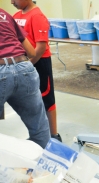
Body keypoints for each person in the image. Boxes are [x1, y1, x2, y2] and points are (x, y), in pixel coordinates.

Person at [12, 0, 62, 142]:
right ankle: (39, 136)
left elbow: (40, 47)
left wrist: (28, 64)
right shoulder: (16, 16)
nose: (11, 2)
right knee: (32, 101)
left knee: (47, 99)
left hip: (39, 63)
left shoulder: (37, 16)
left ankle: (54, 136)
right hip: (24, 64)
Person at [0, 8, 50, 148]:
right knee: (39, 127)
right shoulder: (4, 14)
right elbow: (31, 51)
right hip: (24, 68)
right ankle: (45, 165)